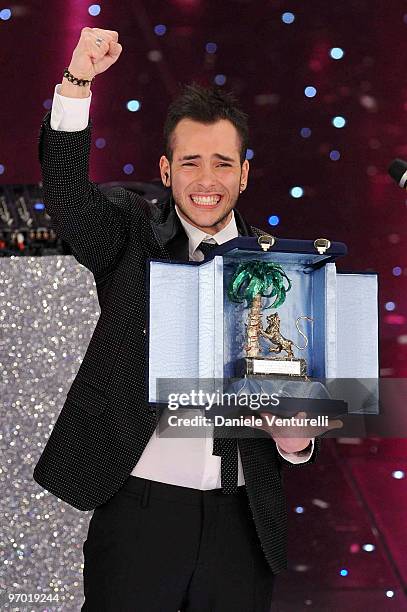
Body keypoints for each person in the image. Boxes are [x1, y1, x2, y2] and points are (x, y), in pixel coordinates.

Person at [33, 27, 339, 612]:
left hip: (243, 522)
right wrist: (77, 83)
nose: (206, 180)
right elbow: (68, 193)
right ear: (166, 170)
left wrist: (297, 441)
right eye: (190, 162)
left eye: (222, 163)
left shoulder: (288, 269)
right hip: (140, 510)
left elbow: (306, 402)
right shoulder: (130, 235)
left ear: (244, 174)